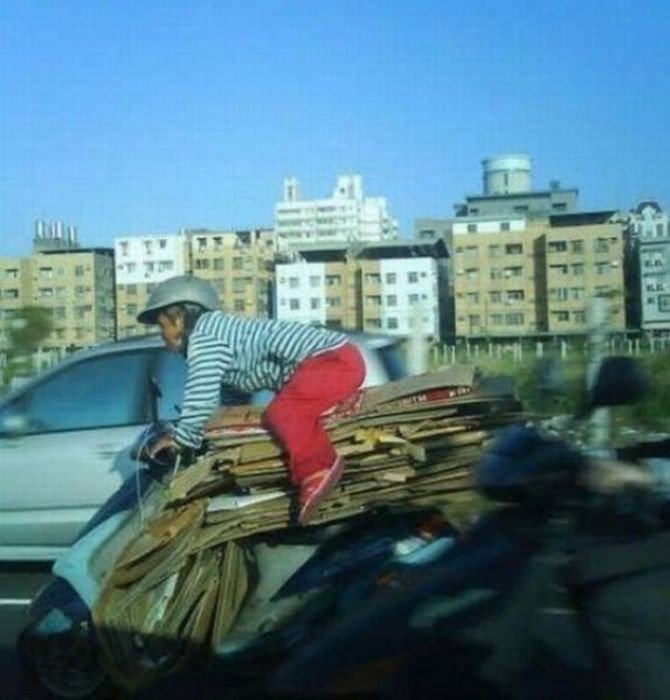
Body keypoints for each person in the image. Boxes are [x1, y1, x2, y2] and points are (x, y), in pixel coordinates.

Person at [137, 274, 366, 525]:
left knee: (283, 413)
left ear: (180, 316)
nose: (162, 336)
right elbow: (232, 399)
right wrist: (217, 430)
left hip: (331, 360)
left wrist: (182, 439)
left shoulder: (205, 336)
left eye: (163, 326)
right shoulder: (222, 332)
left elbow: (201, 391)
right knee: (278, 416)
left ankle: (317, 471)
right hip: (332, 361)